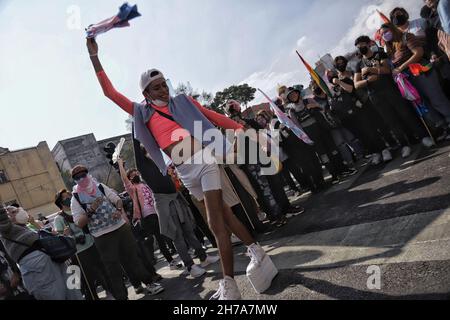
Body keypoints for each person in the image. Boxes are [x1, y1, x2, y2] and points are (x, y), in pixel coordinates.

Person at [86, 38, 277, 300]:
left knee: (214, 222)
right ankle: (256, 250)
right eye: (156, 87)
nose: (164, 90)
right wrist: (95, 58)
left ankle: (230, 285)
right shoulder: (141, 113)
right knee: (225, 216)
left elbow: (214, 116)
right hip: (185, 173)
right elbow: (110, 93)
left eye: (164, 84)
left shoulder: (183, 102)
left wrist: (243, 131)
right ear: (146, 93)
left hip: (204, 162)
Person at [70, 165, 164, 300]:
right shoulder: (76, 198)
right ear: (75, 180)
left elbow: (117, 199)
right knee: (113, 268)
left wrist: (118, 210)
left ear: (87, 174)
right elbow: (79, 222)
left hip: (121, 228)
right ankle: (121, 297)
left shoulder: (100, 186)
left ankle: (149, 283)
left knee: (133, 258)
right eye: (78, 177)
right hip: (102, 236)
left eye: (83, 175)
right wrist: (91, 210)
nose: (82, 179)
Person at [117, 158, 218, 278]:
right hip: (160, 210)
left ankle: (203, 257)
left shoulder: (145, 183)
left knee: (188, 232)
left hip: (173, 203)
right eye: (132, 175)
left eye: (136, 173)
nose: (135, 175)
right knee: (177, 236)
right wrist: (120, 165)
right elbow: (125, 179)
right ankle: (189, 266)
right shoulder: (133, 188)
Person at [354, 35, 427, 158]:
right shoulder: (358, 64)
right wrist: (367, 81)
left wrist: (372, 70)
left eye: (362, 45)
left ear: (369, 44)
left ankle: (423, 136)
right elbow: (356, 84)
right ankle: (404, 145)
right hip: (375, 96)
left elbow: (387, 69)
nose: (360, 48)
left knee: (405, 113)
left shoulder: (379, 54)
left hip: (389, 90)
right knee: (391, 121)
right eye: (358, 47)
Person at [0, 205, 82, 300]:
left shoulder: (25, 227)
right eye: (14, 212)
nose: (20, 211)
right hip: (38, 268)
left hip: (52, 260)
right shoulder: (7, 229)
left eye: (18, 209)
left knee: (73, 294)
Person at [380, 23, 450, 133]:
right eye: (382, 34)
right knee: (424, 103)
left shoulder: (406, 37)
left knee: (436, 99)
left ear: (393, 29)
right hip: (408, 78)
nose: (385, 35)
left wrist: (402, 67)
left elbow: (418, 53)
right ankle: (445, 127)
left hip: (421, 72)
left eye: (386, 32)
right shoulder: (390, 47)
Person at [332, 56, 396, 165]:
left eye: (342, 62)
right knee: (366, 132)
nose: (341, 64)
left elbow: (353, 87)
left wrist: (339, 82)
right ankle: (376, 152)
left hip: (364, 102)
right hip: (352, 110)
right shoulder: (335, 80)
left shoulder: (351, 73)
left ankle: (386, 149)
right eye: (338, 63)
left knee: (375, 126)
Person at [54, 189, 112, 300]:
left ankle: (112, 293)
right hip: (79, 252)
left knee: (103, 271)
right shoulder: (59, 218)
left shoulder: (78, 210)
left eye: (70, 195)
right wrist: (65, 234)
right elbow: (60, 238)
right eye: (66, 197)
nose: (70, 198)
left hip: (92, 244)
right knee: (88, 279)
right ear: (60, 202)